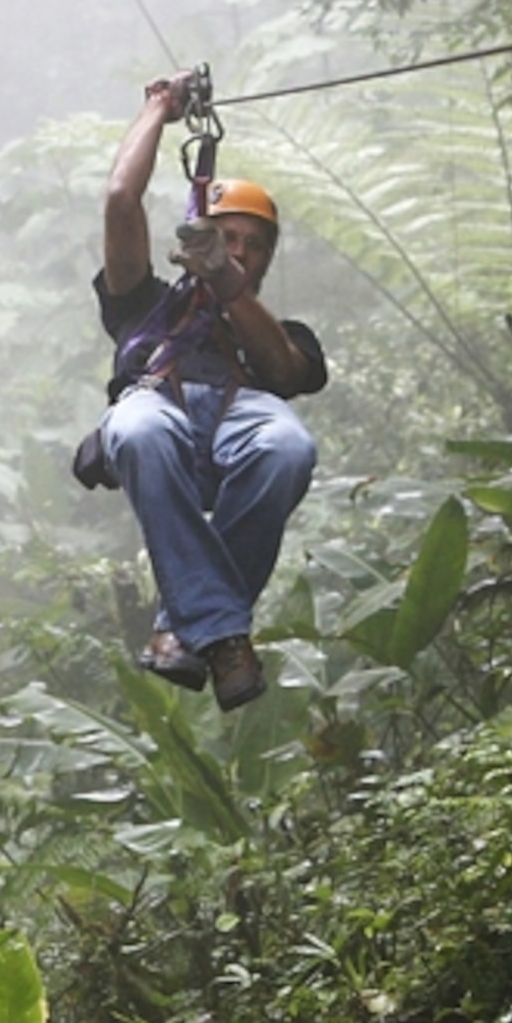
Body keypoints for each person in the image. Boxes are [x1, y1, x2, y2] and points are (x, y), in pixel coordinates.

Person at [89, 74, 325, 710]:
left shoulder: (277, 331)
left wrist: (227, 282)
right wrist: (158, 108)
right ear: (202, 235)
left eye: (254, 245)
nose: (241, 251)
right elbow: (119, 198)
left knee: (288, 447)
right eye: (229, 238)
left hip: (238, 427)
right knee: (139, 429)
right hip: (156, 407)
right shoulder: (145, 307)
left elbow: (282, 371)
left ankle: (180, 629)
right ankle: (223, 638)